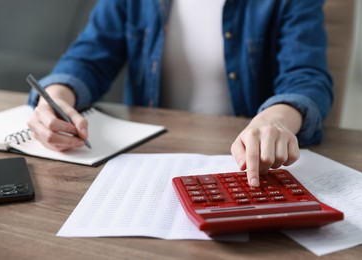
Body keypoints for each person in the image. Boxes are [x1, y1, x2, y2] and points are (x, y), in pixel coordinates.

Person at [27, 0, 333, 187]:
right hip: (151, 160)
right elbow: (89, 56)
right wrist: (55, 97)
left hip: (247, 164)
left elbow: (307, 75)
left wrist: (277, 119)